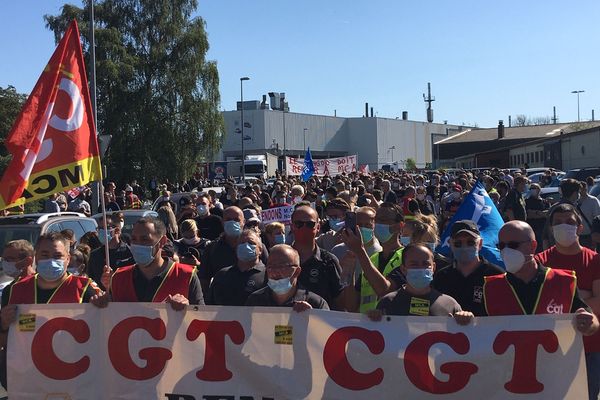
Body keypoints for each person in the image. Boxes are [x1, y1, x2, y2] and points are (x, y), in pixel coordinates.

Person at [478, 221, 597, 336]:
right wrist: (464, 317)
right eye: (502, 246)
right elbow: (478, 329)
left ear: (533, 246)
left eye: (513, 245)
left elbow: (591, 322)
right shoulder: (492, 287)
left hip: (554, 355)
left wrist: (589, 323)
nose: (506, 251)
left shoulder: (563, 281)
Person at [535, 203, 600, 399]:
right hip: (550, 348)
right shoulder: (540, 261)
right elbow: (536, 304)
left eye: (569, 222)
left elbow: (599, 303)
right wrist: (584, 295)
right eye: (558, 223)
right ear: (551, 229)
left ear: (580, 228)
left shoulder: (595, 260)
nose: (564, 226)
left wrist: (558, 296)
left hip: (590, 348)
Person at [104, 217, 204, 308]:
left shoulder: (186, 275)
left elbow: (202, 320)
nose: (138, 244)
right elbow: (107, 321)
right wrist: (99, 306)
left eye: (145, 239)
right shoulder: (118, 278)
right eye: (134, 239)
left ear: (162, 241)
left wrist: (188, 310)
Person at [367, 244, 471, 322]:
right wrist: (372, 319)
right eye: (414, 264)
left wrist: (466, 319)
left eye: (425, 264)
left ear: (433, 268)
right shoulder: (387, 303)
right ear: (403, 269)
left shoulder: (450, 305)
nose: (420, 268)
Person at [342, 202, 407, 313]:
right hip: (367, 327)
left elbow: (384, 291)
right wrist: (349, 272)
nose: (378, 224)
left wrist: (360, 251)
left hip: (392, 327)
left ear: (399, 226)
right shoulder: (373, 259)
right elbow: (351, 306)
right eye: (376, 220)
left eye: (384, 220)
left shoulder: (406, 258)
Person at [432, 220, 504, 316]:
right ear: (450, 244)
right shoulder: (441, 277)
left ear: (480, 243)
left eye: (470, 242)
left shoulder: (496, 275)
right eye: (458, 243)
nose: (464, 247)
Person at [200, 206, 268, 294]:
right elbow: (204, 279)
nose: (232, 222)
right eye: (228, 219)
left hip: (254, 297)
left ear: (243, 222)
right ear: (223, 222)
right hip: (224, 299)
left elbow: (269, 271)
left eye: (236, 219)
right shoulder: (212, 247)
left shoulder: (257, 246)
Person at [290, 205, 346, 310]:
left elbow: (341, 303)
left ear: (318, 227)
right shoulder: (279, 259)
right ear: (292, 226)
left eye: (310, 224)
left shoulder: (329, 261)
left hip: (319, 324)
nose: (304, 228)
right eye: (299, 224)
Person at [245, 244, 329, 311]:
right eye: (271, 266)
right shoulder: (255, 301)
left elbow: (326, 331)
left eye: (282, 266)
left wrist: (314, 318)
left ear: (297, 271)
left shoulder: (316, 304)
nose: (275, 271)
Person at [332, 206, 382, 312]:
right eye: (359, 225)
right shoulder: (337, 250)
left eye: (367, 225)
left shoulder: (380, 252)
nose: (363, 228)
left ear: (374, 226)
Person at [208, 230, 267, 306]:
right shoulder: (222, 275)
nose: (246, 246)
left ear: (260, 250)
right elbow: (210, 306)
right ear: (236, 249)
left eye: (251, 243)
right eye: (242, 243)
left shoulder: (267, 275)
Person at [87, 216, 132, 291]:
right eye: (99, 228)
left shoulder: (130, 253)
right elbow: (91, 281)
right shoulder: (95, 255)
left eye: (105, 228)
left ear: (117, 231)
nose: (101, 231)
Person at [525, 183, 549, 252]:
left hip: (543, 228)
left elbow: (547, 213)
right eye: (531, 188)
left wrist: (536, 213)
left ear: (539, 189)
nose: (533, 190)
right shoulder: (528, 201)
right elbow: (529, 214)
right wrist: (539, 213)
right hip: (532, 228)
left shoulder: (544, 201)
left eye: (535, 188)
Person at [578, 182, 600, 249]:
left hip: (590, 235)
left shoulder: (593, 201)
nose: (581, 191)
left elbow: (597, 217)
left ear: (586, 189)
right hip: (577, 236)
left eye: (582, 189)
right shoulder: (575, 201)